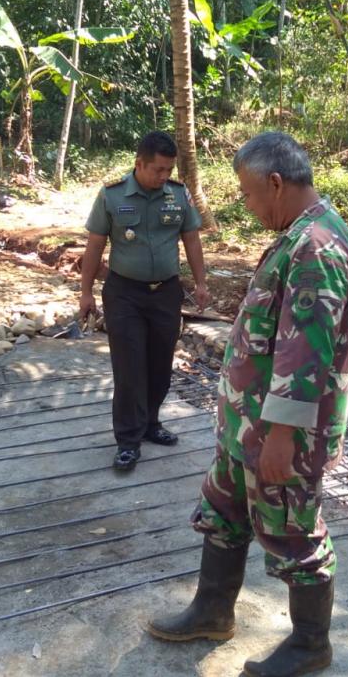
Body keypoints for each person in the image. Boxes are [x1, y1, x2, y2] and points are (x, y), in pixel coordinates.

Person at [147, 132, 348, 677]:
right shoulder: (297, 236)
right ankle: (212, 611)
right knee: (223, 511)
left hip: (278, 434)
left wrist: (284, 436)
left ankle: (311, 646)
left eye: (246, 194)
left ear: (275, 182)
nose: (244, 205)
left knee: (295, 532)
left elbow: (305, 351)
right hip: (247, 425)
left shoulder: (317, 246)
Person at [78, 131, 210, 472]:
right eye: (159, 170)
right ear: (139, 164)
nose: (164, 176)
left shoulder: (178, 196)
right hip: (124, 294)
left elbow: (192, 239)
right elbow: (94, 246)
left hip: (165, 292)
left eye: (169, 170)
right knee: (129, 367)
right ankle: (127, 440)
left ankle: (151, 423)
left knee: (159, 364)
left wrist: (201, 282)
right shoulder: (112, 196)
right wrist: (85, 292)